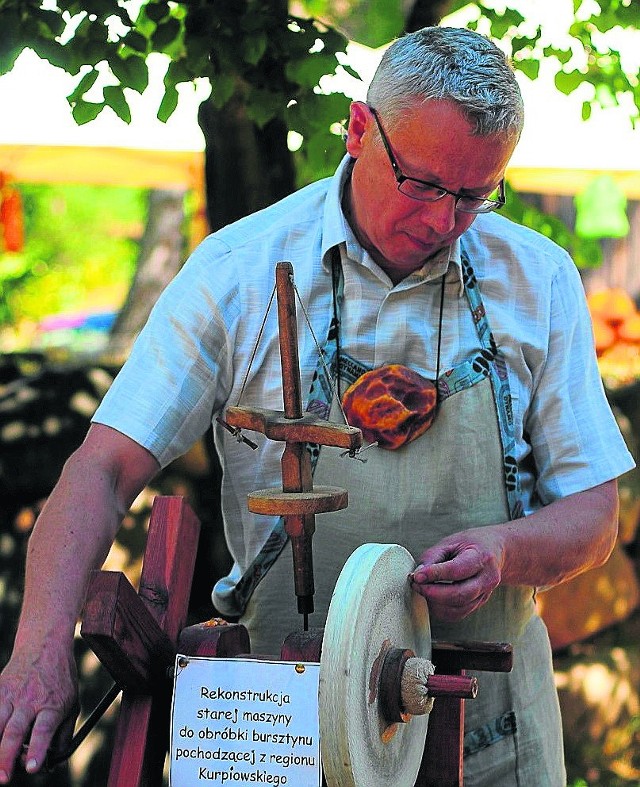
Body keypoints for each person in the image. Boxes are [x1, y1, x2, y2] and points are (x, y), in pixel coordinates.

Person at [0, 25, 634, 786]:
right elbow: (102, 468)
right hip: (279, 729)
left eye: (474, 195)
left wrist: (505, 552)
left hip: (487, 734)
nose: (443, 221)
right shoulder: (237, 272)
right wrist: (38, 648)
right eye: (425, 184)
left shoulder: (539, 280)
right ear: (360, 130)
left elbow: (595, 515)